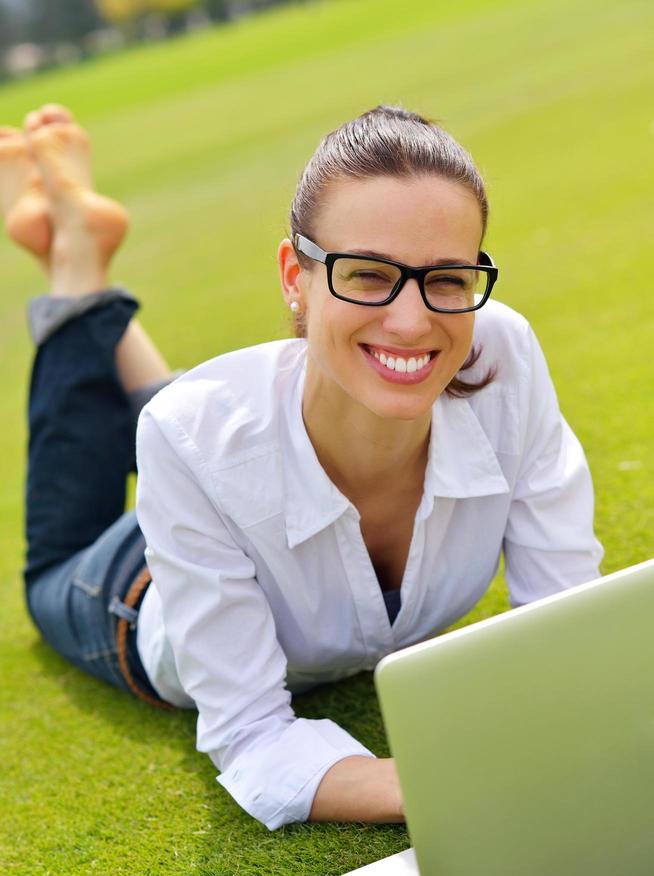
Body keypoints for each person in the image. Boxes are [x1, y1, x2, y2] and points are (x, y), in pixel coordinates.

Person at [2, 103, 603, 832]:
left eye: (447, 278)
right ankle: (74, 268)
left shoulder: (502, 357)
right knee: (64, 554)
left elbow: (572, 626)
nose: (414, 320)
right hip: (141, 589)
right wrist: (437, 784)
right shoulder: (192, 439)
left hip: (223, 461)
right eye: (368, 274)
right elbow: (252, 737)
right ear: (296, 276)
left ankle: (94, 277)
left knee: (209, 428)